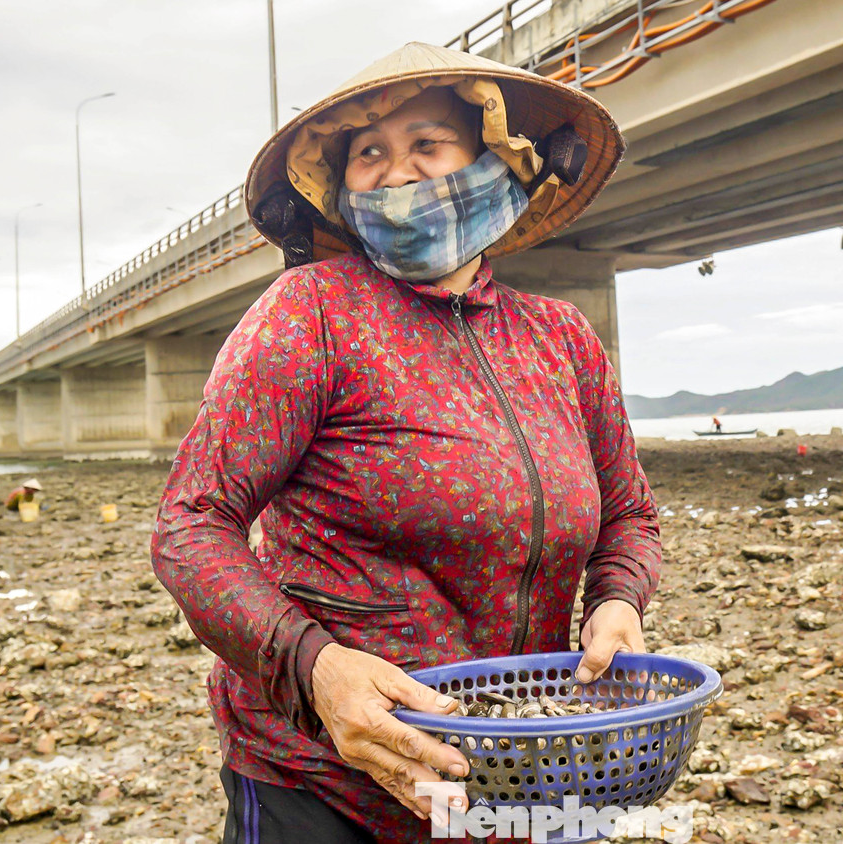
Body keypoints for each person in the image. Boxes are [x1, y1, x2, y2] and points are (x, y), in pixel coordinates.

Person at [150, 42, 659, 844]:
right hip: (322, 780)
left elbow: (629, 514)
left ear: (496, 159)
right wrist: (316, 669)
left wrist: (618, 601)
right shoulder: (313, 313)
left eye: (427, 143)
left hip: (514, 762)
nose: (395, 174)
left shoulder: (560, 337)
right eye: (369, 154)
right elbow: (191, 523)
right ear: (340, 187)